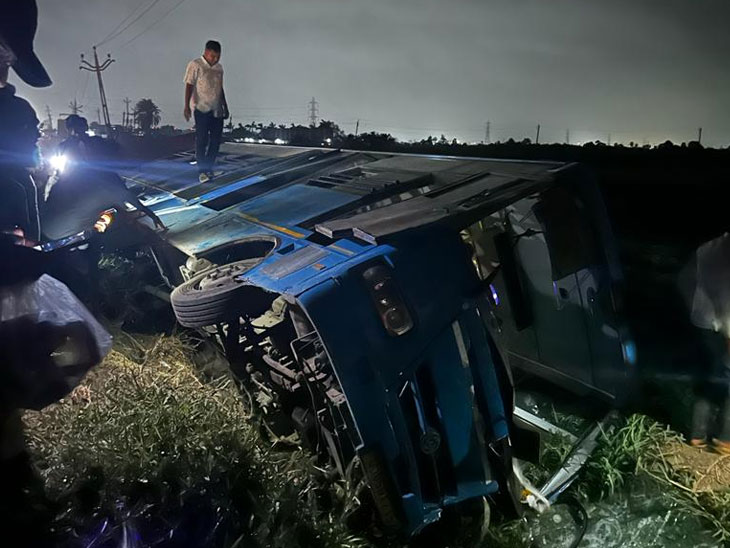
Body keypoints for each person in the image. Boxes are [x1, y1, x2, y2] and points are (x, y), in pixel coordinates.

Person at [689, 232, 730, 455]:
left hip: (701, 321)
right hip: (722, 325)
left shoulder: (706, 248)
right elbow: (726, 297)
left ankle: (697, 435)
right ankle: (725, 440)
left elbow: (687, 281)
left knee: (707, 377)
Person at [183, 40, 229, 183]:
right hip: (201, 108)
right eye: (213, 56)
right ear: (206, 52)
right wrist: (186, 106)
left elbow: (220, 88)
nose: (215, 59)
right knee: (202, 140)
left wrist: (225, 106)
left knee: (215, 141)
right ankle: (202, 171)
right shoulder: (195, 65)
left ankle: (209, 167)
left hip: (216, 110)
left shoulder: (219, 68)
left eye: (218, 57)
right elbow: (189, 85)